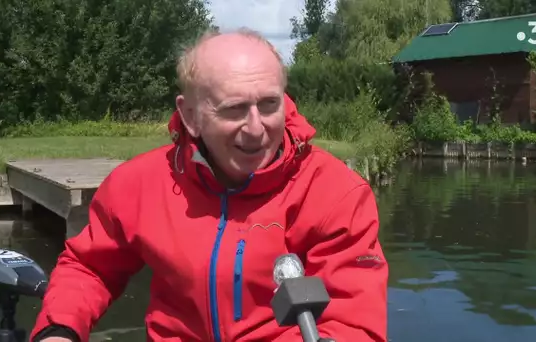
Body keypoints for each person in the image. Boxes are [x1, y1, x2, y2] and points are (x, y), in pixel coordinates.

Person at [30, 28, 388, 342]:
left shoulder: (336, 193)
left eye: (268, 105)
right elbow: (90, 266)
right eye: (234, 109)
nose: (255, 127)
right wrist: (58, 329)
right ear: (191, 116)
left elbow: (354, 322)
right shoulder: (139, 184)